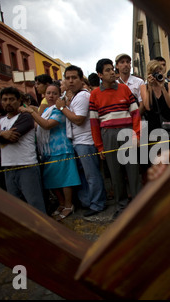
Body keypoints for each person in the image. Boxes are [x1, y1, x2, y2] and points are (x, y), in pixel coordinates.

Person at [20, 84, 81, 221]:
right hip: (48, 151)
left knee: (65, 180)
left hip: (61, 149)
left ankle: (68, 205)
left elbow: (46, 125)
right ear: (44, 95)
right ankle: (61, 203)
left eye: (54, 93)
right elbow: (38, 125)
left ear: (59, 95)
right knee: (51, 180)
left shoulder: (59, 110)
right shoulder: (47, 109)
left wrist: (31, 112)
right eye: (48, 93)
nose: (51, 96)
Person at [89, 58, 142, 218]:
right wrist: (99, 146)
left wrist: (137, 134)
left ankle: (140, 206)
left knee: (133, 171)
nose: (112, 72)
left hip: (127, 132)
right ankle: (121, 207)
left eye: (112, 69)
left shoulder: (125, 89)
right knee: (115, 173)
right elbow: (94, 123)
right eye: (107, 70)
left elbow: (135, 114)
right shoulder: (95, 94)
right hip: (108, 135)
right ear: (100, 75)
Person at [55, 65, 107, 217]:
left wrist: (62, 108)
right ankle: (89, 202)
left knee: (92, 175)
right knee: (83, 176)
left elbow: (78, 119)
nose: (70, 81)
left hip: (86, 142)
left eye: (74, 78)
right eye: (68, 78)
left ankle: (98, 204)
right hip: (78, 142)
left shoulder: (83, 96)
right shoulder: (75, 96)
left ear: (80, 79)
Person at [0, 87, 46, 214]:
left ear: (19, 101)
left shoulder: (26, 117)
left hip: (26, 166)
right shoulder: (1, 121)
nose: (8, 102)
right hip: (8, 166)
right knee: (15, 205)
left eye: (12, 99)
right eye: (5, 100)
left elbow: (13, 137)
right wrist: (2, 134)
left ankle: (43, 231)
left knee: (35, 203)